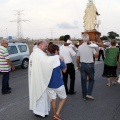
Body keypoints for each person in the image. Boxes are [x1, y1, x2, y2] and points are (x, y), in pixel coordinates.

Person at [28, 41, 60, 117]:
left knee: (37, 93)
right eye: (45, 46)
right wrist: (57, 57)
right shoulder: (40, 54)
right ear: (41, 45)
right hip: (40, 78)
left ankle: (37, 111)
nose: (46, 48)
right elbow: (47, 62)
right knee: (41, 95)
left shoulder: (34, 53)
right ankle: (41, 112)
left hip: (35, 77)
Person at [47, 44, 67, 120]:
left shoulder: (47, 59)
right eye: (58, 50)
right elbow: (64, 71)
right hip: (58, 83)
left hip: (49, 84)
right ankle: (57, 114)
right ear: (56, 51)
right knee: (64, 98)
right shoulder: (58, 59)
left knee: (53, 100)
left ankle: (55, 114)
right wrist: (63, 60)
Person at [77, 34, 98, 100]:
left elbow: (77, 58)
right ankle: (88, 93)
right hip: (90, 64)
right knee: (91, 79)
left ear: (82, 39)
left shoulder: (79, 47)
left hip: (82, 64)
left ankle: (84, 96)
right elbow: (96, 56)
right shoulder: (91, 46)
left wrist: (78, 65)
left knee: (83, 80)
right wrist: (96, 48)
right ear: (88, 39)